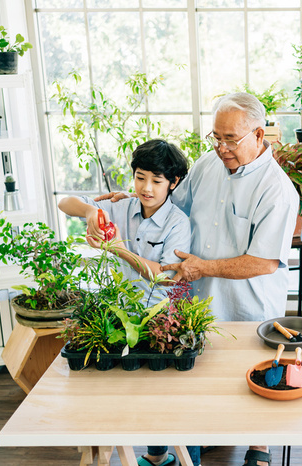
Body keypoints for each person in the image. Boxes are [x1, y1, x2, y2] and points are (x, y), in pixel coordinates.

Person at [99, 92, 299, 466]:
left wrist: (203, 267)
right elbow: (175, 204)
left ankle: (259, 446)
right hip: (200, 296)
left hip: (250, 302)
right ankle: (214, 432)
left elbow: (264, 262)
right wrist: (137, 196)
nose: (221, 147)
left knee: (255, 376)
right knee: (207, 374)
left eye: (231, 139)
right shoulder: (209, 164)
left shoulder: (277, 189)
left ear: (259, 135)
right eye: (216, 137)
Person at [59, 139, 200, 466]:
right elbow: (66, 203)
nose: (146, 188)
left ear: (173, 182)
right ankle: (155, 456)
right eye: (140, 177)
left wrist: (116, 246)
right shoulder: (121, 206)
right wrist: (91, 210)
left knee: (170, 399)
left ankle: (185, 459)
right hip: (119, 313)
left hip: (161, 319)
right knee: (127, 394)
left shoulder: (178, 223)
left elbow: (164, 278)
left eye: (156, 180)